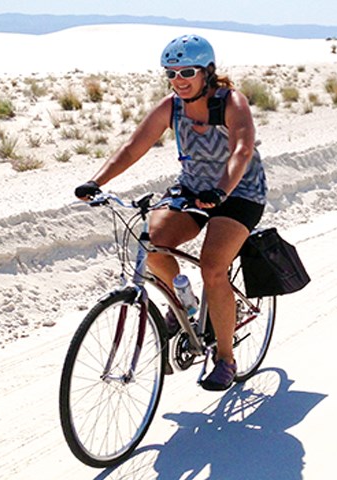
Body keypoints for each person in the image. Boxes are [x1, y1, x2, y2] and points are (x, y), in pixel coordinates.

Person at [74, 34, 268, 391]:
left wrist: (221, 190)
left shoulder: (231, 102)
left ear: (207, 72)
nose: (178, 80)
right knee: (150, 243)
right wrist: (95, 182)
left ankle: (225, 359)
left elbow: (242, 149)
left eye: (187, 72)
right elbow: (133, 148)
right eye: (171, 73)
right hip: (193, 189)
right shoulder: (172, 106)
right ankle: (184, 305)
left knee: (213, 266)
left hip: (239, 191)